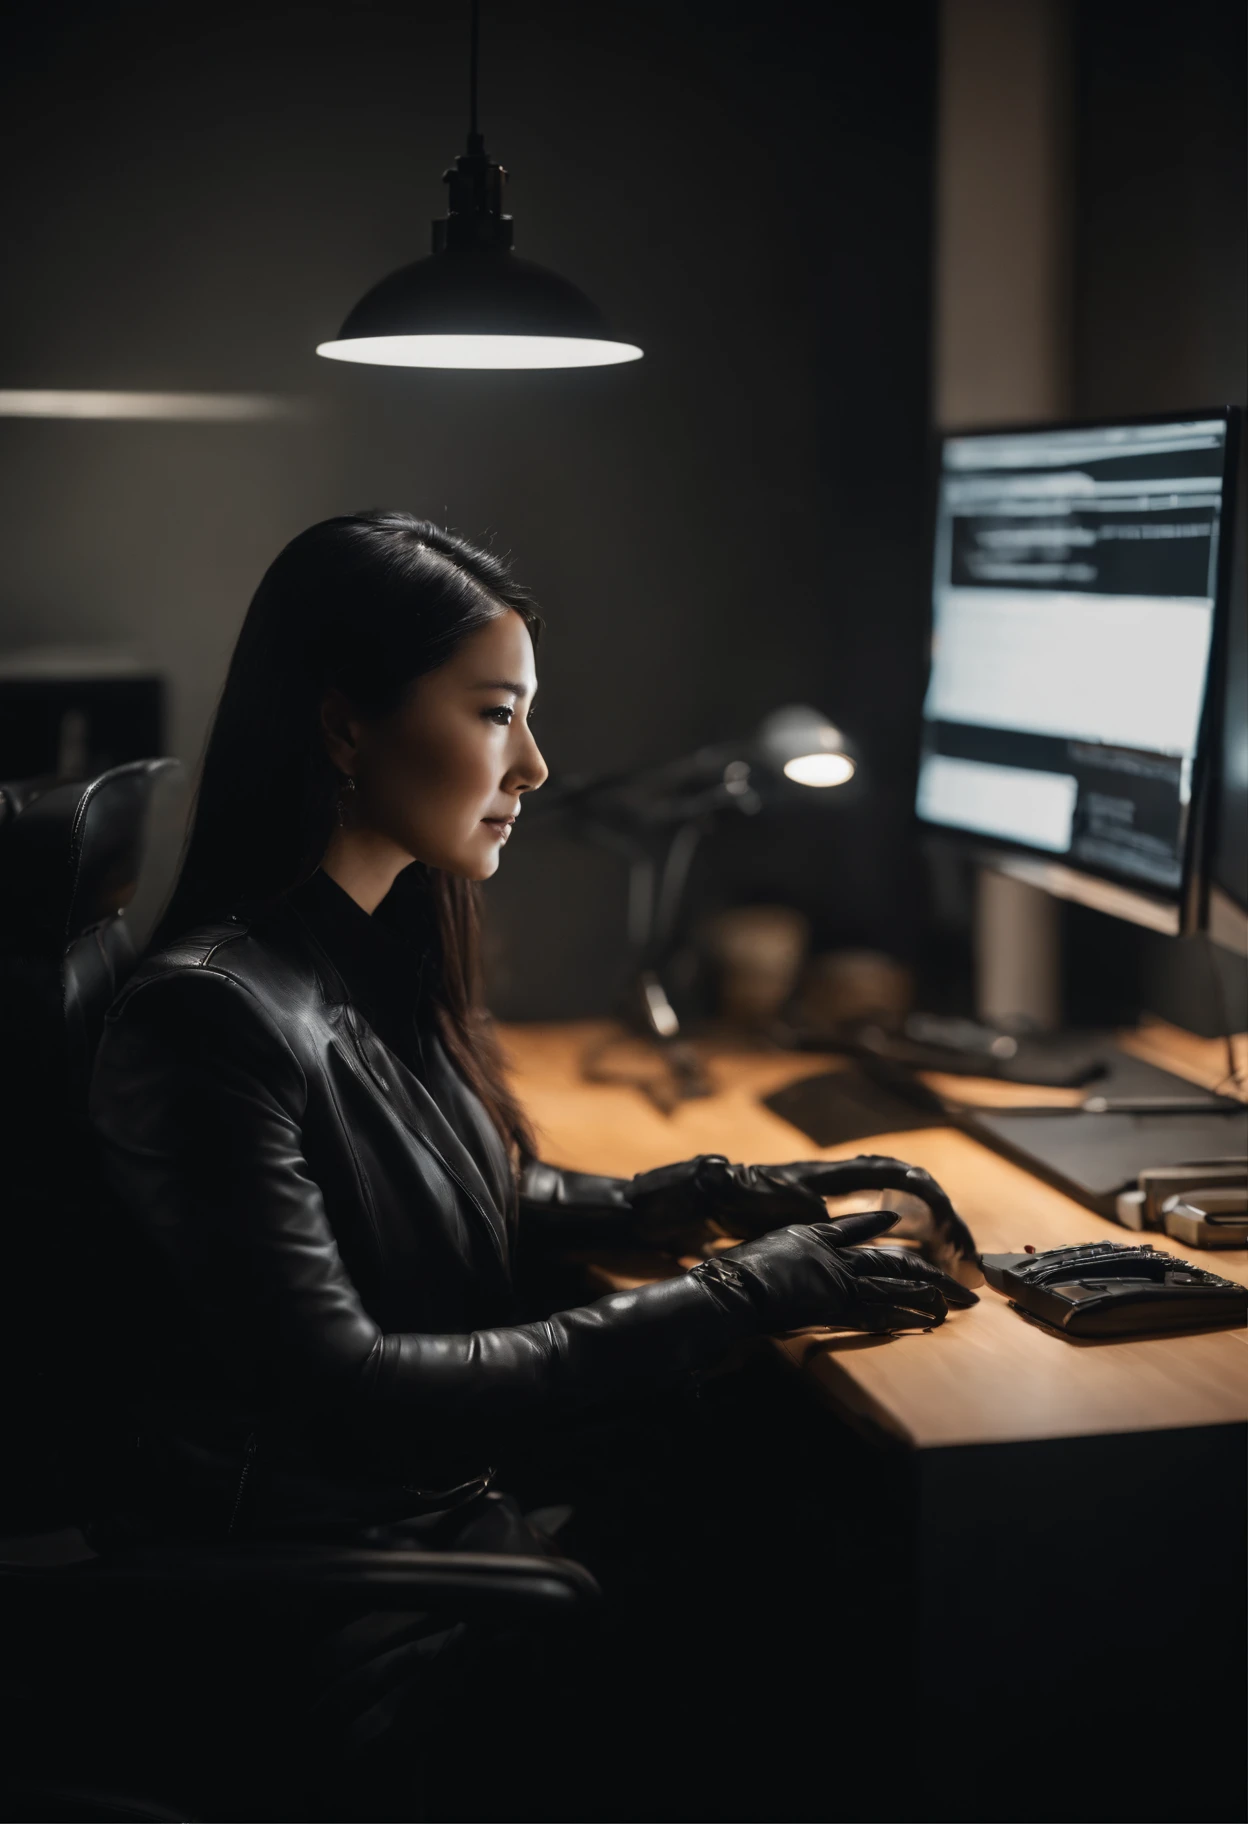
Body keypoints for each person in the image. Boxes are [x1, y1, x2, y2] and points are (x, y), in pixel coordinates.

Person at [87, 511, 980, 1819]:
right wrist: (735, 1297)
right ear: (344, 726)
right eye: (498, 715)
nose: (538, 766)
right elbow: (356, 1391)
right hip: (361, 1634)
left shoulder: (353, 950)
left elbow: (439, 1197)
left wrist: (709, 1195)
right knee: (866, 1610)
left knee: (821, 1517)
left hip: (447, 1545)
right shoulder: (205, 1018)